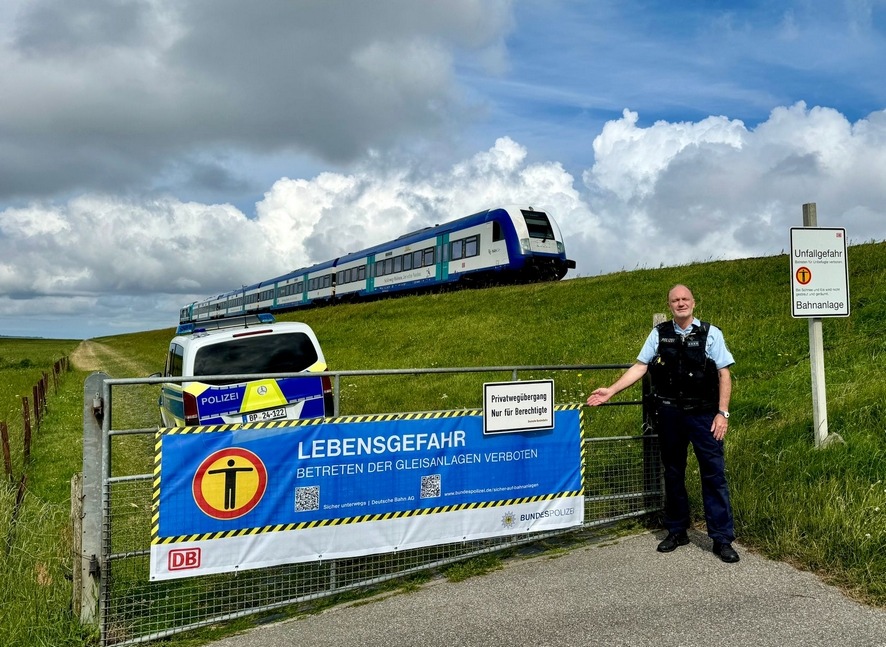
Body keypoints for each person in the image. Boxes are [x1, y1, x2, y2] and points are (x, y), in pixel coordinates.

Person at [586, 284, 739, 563]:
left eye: (685, 299)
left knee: (714, 476)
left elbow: (724, 374)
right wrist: (611, 390)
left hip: (705, 416)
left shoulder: (711, 333)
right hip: (670, 414)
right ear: (669, 305)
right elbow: (641, 366)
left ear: (694, 302)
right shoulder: (659, 333)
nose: (681, 304)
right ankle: (677, 530)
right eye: (675, 300)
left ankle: (721, 538)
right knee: (672, 473)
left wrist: (722, 413)